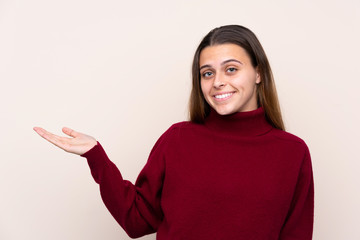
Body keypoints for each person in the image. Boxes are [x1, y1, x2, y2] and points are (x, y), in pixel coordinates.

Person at [34, 25, 314, 239]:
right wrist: (96, 156)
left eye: (231, 69)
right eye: (207, 73)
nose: (218, 82)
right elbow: (136, 220)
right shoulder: (178, 140)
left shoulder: (292, 152)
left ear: (258, 73)